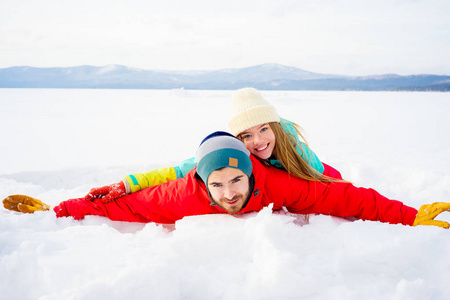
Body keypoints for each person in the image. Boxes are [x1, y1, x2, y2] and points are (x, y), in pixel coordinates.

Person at [3, 131, 450, 229]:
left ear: (251, 173)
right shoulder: (183, 194)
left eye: (237, 180)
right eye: (217, 185)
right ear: (202, 182)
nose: (230, 194)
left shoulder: (275, 184)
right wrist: (57, 211)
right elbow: (121, 206)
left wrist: (412, 217)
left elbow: (348, 199)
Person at [81, 87, 344, 204]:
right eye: (247, 135)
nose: (259, 141)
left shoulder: (295, 150)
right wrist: (129, 184)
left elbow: (327, 182)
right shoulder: (235, 154)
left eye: (264, 129)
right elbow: (180, 171)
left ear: (274, 126)